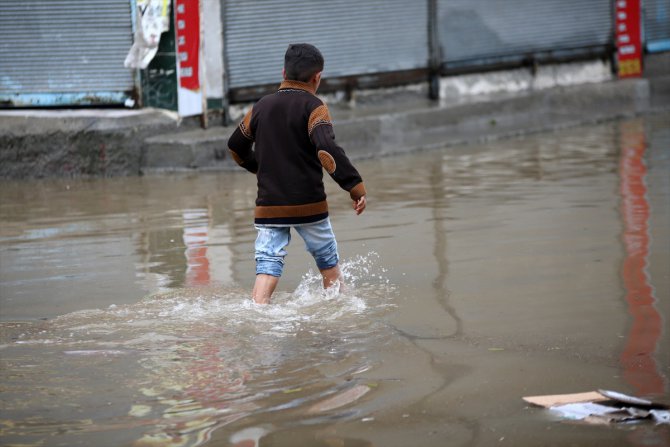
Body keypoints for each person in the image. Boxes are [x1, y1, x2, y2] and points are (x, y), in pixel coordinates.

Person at [226, 43, 367, 305]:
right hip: (309, 204)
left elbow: (235, 147)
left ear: (283, 72)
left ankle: (257, 316)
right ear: (317, 77)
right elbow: (327, 150)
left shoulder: (261, 107)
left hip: (270, 205)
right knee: (328, 264)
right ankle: (339, 315)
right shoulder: (315, 107)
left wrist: (261, 167)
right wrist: (355, 186)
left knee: (267, 266)